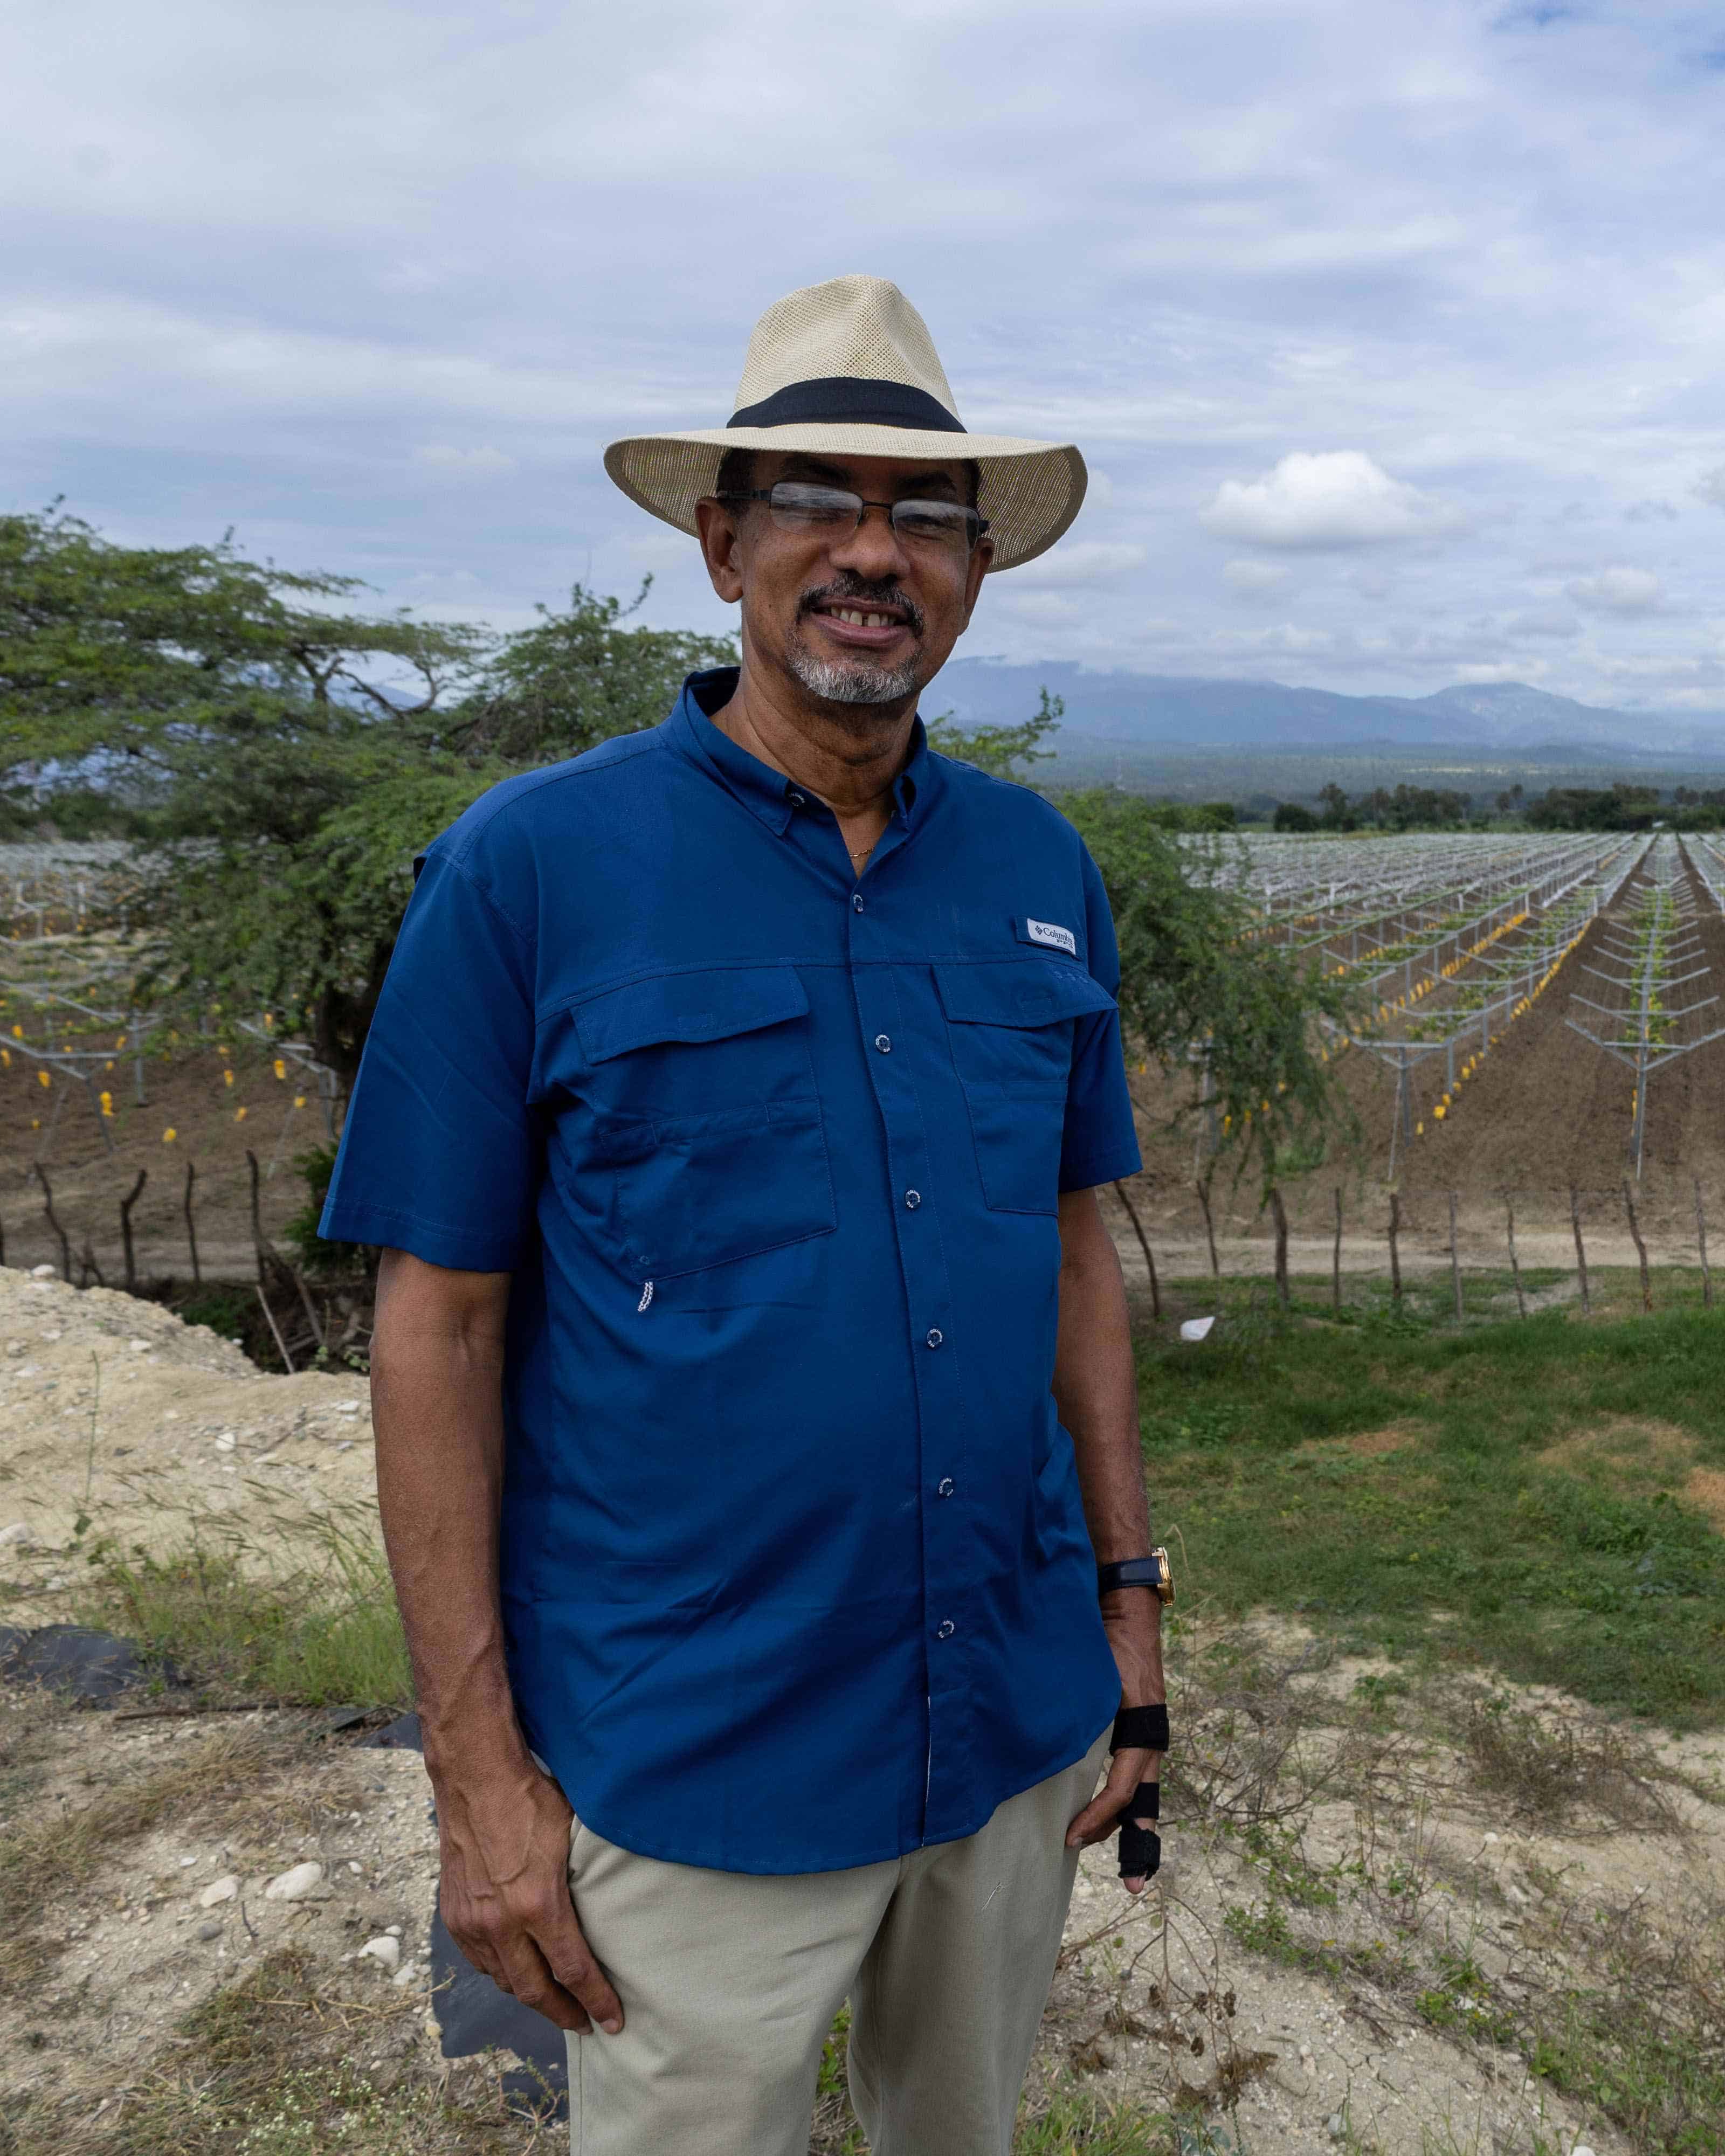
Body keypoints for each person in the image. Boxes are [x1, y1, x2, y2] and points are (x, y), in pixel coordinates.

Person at [320, 274, 1171, 2155]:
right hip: (690, 1754)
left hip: (1009, 1711)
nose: (876, 554)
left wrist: (1127, 1606)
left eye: (928, 516)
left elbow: (1071, 1254)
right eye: (818, 502)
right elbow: (437, 1324)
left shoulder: (1041, 870)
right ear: (723, 545)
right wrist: (477, 1783)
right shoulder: (531, 866)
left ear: (973, 571)